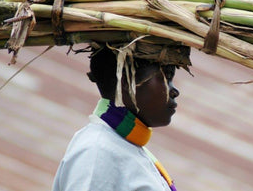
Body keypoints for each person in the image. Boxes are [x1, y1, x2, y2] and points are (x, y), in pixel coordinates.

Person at [52, 42, 191, 191]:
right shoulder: (98, 151)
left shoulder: (121, 147)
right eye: (166, 77)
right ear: (127, 82)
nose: (175, 91)